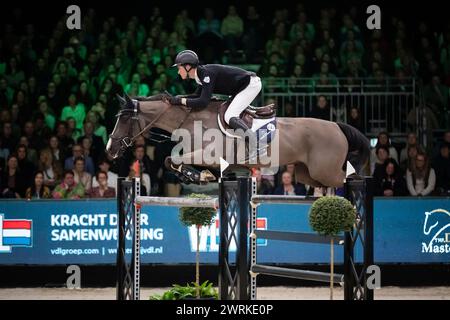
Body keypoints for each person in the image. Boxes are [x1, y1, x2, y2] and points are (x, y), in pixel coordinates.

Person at [168, 50, 261, 134]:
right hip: (241, 87)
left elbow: (203, 102)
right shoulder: (201, 75)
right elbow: (196, 95)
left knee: (230, 116)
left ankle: (255, 141)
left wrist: (180, 101)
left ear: (188, 67)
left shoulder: (206, 75)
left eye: (179, 68)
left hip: (250, 85)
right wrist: (178, 98)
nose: (178, 72)